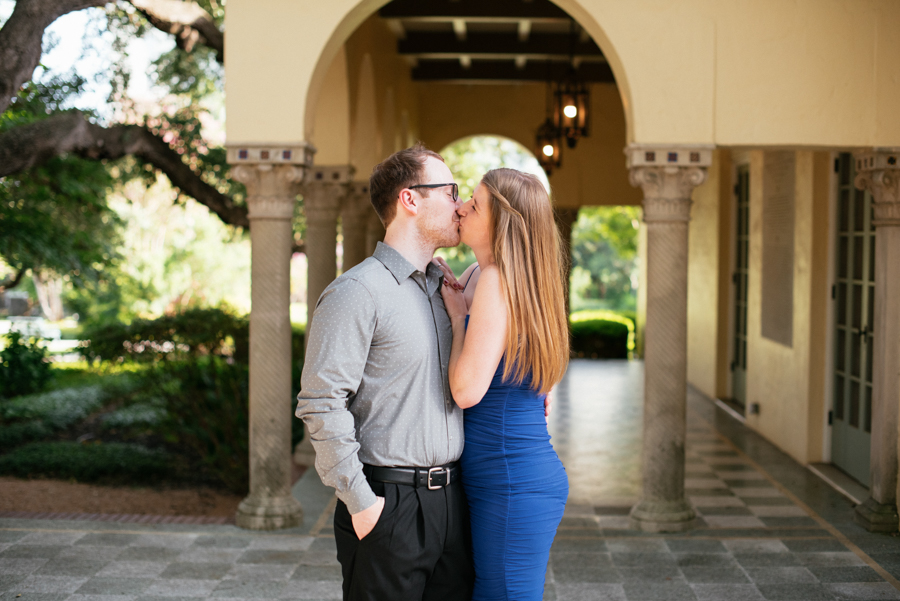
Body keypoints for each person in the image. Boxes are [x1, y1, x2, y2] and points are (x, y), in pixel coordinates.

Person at [295, 144, 474, 601]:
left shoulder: (445, 289)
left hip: (452, 504)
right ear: (410, 199)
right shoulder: (356, 291)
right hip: (386, 505)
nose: (459, 202)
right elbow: (320, 401)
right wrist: (362, 504)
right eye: (450, 190)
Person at [433, 168, 570, 601]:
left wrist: (457, 319)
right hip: (503, 474)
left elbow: (466, 391)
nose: (460, 207)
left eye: (474, 204)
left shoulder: (496, 280)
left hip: (512, 479)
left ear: (502, 223)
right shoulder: (481, 272)